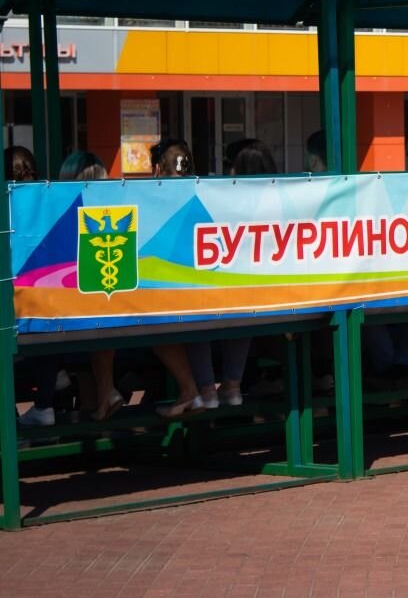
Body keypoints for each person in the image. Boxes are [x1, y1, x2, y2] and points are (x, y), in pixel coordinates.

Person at [54, 151, 205, 420]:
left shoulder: (64, 213)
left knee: (97, 317)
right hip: (140, 315)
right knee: (137, 315)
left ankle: (105, 394)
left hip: (103, 321)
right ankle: (189, 389)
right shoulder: (126, 202)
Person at [151, 139, 252, 409]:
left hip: (188, 302)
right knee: (238, 312)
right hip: (228, 295)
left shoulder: (154, 201)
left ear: (158, 170)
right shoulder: (212, 195)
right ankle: (231, 387)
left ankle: (205, 392)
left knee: (189, 316)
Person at [7, 147, 69, 426]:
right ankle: (50, 391)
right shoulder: (48, 202)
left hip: (25, 322)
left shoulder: (9, 207)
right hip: (50, 316)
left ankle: (13, 421)